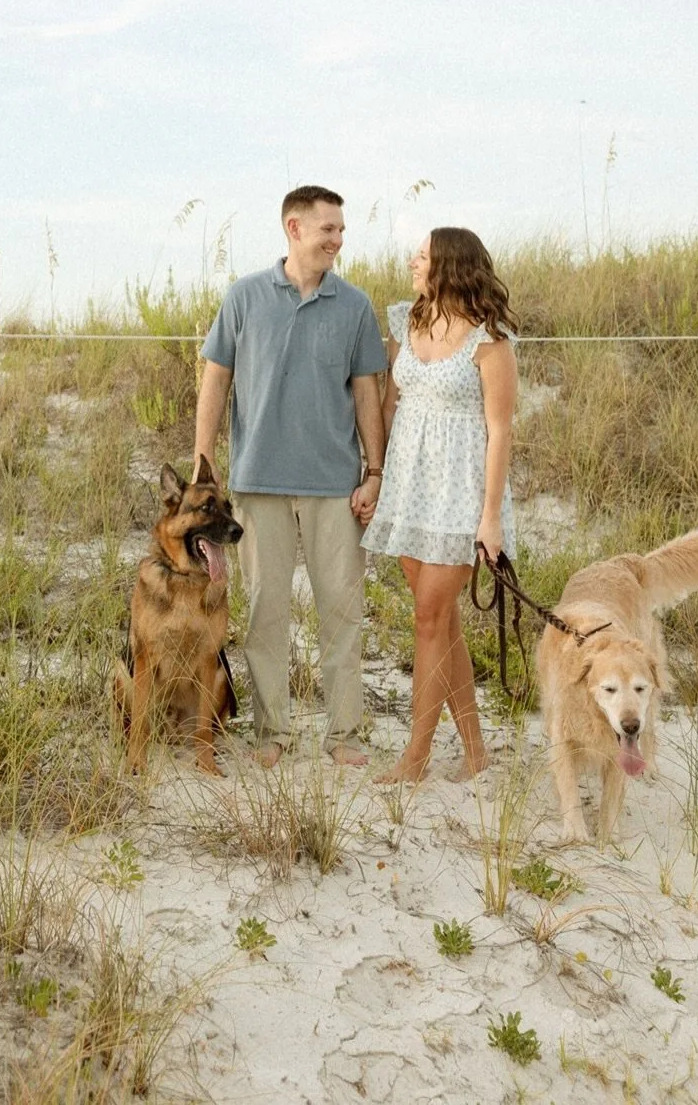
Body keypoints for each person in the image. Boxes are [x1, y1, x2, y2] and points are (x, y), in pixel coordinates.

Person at [194, 186, 387, 767]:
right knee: (266, 613)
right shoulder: (245, 297)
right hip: (259, 482)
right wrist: (204, 466)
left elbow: (366, 394)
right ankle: (271, 733)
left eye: (342, 230)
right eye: (329, 228)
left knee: (342, 612)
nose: (338, 239)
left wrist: (373, 472)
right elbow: (214, 379)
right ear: (294, 228)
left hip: (334, 485)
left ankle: (345, 735)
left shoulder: (354, 305)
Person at [360, 227, 518, 783]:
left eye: (422, 255)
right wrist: (375, 479)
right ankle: (475, 752)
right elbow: (388, 402)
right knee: (441, 622)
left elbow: (500, 431)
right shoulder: (408, 319)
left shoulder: (489, 341)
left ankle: (416, 757)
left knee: (428, 618)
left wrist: (490, 518)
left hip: (459, 492)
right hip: (408, 486)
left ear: (448, 265)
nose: (412, 261)